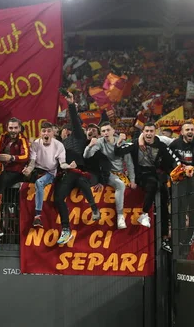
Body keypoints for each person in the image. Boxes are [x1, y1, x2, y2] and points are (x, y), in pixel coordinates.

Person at [114, 122, 187, 241]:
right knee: (152, 184)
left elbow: (173, 158)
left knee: (164, 199)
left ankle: (164, 235)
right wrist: (118, 143)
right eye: (146, 131)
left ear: (155, 132)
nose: (148, 133)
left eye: (151, 131)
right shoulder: (136, 143)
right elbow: (119, 151)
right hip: (141, 175)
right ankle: (144, 214)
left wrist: (181, 168)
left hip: (157, 176)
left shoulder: (161, 145)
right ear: (143, 132)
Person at [55, 93, 101, 244]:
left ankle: (94, 208)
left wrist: (71, 105)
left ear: (67, 131)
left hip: (78, 171)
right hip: (67, 174)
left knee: (81, 181)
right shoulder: (60, 144)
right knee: (58, 198)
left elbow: (75, 121)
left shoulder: (78, 137)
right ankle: (66, 230)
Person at [84, 121, 136, 229]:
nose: (106, 133)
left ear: (113, 131)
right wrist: (89, 146)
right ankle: (120, 216)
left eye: (108, 130)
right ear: (101, 133)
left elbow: (129, 163)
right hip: (107, 174)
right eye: (103, 131)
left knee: (123, 184)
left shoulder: (121, 142)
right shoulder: (99, 142)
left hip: (120, 173)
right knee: (120, 185)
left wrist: (132, 180)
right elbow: (87, 156)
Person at [22, 121, 73, 228]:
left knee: (39, 183)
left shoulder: (59, 145)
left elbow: (62, 163)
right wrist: (29, 170)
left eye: (48, 131)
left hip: (50, 173)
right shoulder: (35, 143)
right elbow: (32, 162)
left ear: (53, 133)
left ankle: (37, 216)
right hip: (36, 171)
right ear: (40, 133)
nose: (46, 133)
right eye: (43, 131)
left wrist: (68, 166)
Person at [0, 117, 30, 237]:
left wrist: (12, 158)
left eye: (15, 128)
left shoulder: (23, 139)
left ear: (19, 128)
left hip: (16, 172)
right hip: (2, 169)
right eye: (10, 128)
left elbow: (26, 156)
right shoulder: (3, 136)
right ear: (7, 128)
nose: (13, 130)